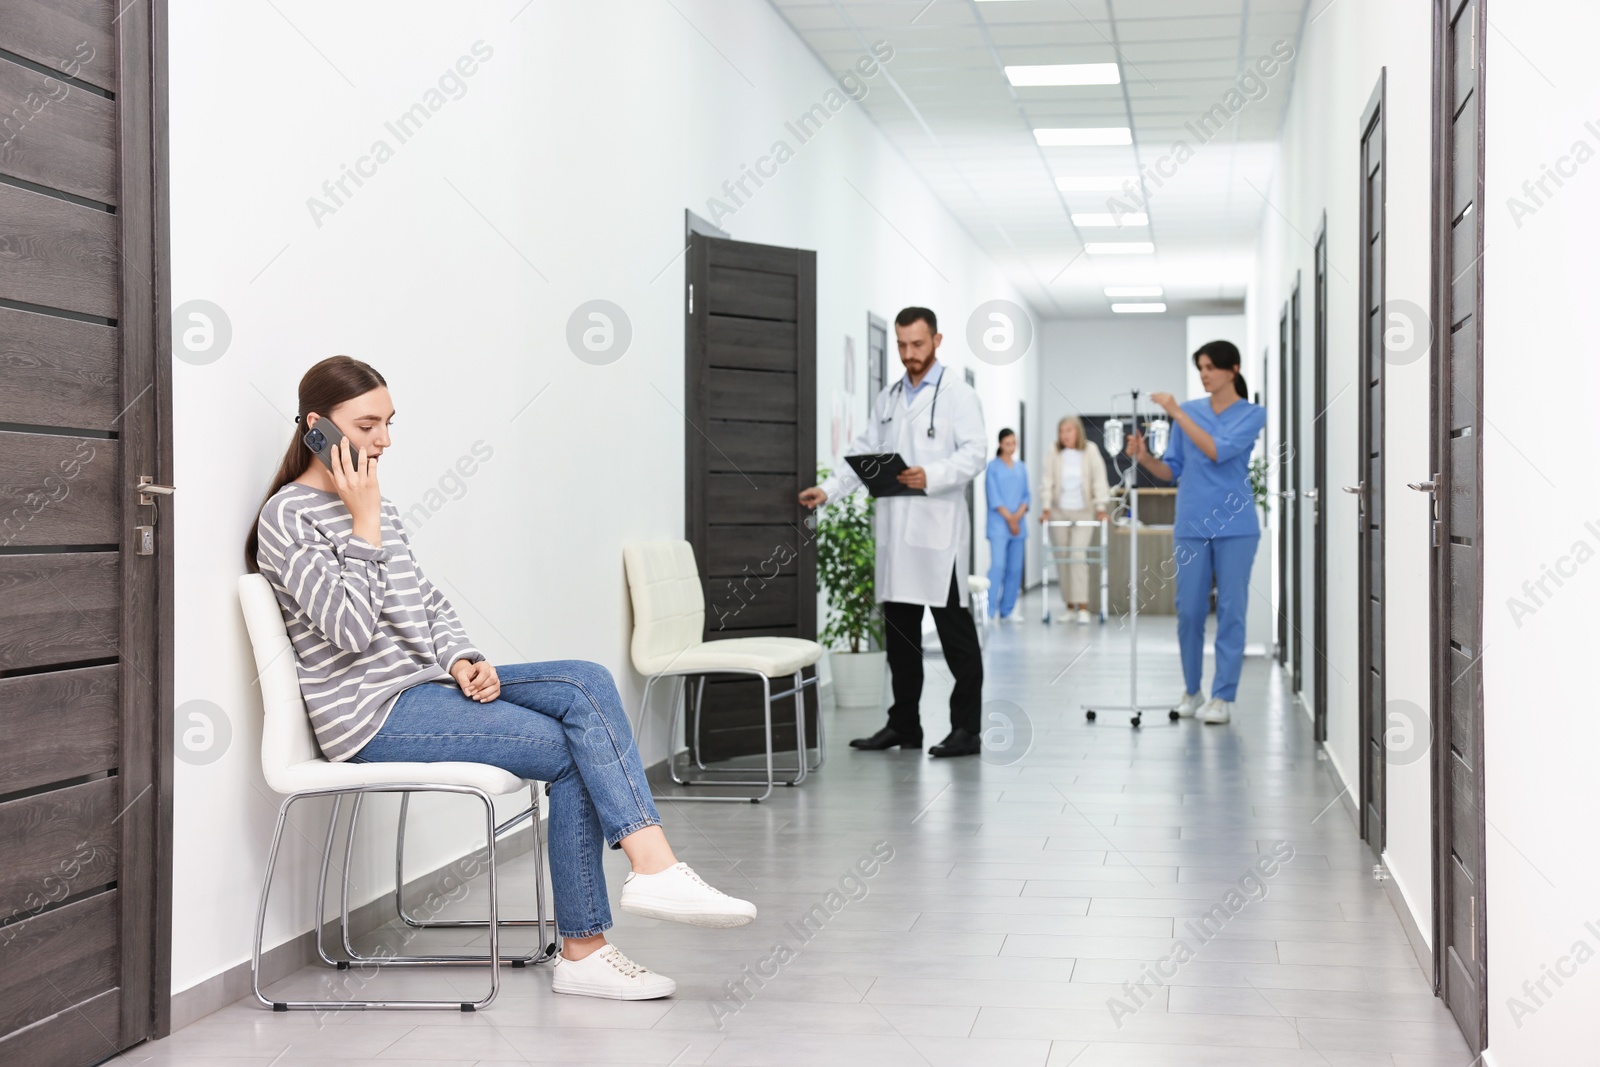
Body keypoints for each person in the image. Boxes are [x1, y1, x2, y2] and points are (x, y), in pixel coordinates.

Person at [246, 356, 756, 1002]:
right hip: (372, 717)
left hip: (424, 688)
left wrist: (463, 657)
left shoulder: (376, 504)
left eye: (389, 423)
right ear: (317, 427)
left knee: (585, 680)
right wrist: (364, 521)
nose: (384, 440)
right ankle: (588, 944)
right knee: (576, 750)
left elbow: (426, 603)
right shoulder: (289, 517)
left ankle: (652, 868)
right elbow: (350, 630)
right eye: (368, 424)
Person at [799, 307, 987, 758]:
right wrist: (828, 490)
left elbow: (976, 452)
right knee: (900, 640)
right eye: (902, 345)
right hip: (895, 536)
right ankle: (904, 724)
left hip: (939, 535)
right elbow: (864, 452)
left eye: (917, 344)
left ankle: (967, 730)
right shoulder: (887, 398)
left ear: (937, 340)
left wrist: (934, 473)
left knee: (956, 638)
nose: (908, 354)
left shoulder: (958, 395)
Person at [1125, 341, 1267, 725]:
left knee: (1232, 611)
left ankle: (1222, 696)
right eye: (1200, 367)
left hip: (1236, 527)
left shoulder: (1252, 414)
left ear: (1232, 369)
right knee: (1189, 611)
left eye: (1210, 367)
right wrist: (1145, 458)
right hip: (1191, 524)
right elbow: (1173, 469)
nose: (1203, 374)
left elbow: (1218, 450)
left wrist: (1174, 411)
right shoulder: (1187, 412)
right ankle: (1192, 689)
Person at [1038, 416, 1110, 624]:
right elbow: (1047, 480)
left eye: (1069, 430)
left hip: (1083, 511)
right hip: (1059, 511)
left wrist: (1100, 508)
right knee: (1062, 558)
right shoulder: (1054, 451)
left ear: (1078, 431)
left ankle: (1083, 606)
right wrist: (1045, 508)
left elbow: (1099, 480)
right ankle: (1069, 605)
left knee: (1077, 555)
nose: (1065, 435)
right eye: (1062, 431)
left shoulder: (1090, 450)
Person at [984, 428, 1030, 622]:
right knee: (998, 566)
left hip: (1018, 526)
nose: (1012, 447)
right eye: (1008, 443)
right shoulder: (993, 468)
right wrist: (1010, 519)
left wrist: (1017, 517)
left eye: (1014, 443)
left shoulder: (1021, 468)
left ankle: (1007, 610)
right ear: (1000, 444)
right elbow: (994, 498)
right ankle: (988, 610)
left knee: (1014, 569)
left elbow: (1026, 497)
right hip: (999, 525)